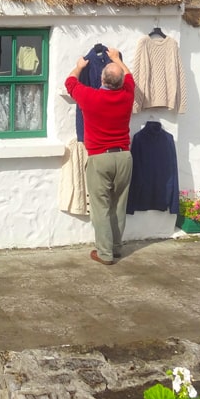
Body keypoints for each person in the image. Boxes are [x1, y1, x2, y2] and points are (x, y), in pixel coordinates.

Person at [65, 48, 135, 265]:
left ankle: (104, 253)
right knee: (118, 206)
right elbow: (130, 77)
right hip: (124, 157)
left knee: (100, 207)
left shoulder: (90, 96)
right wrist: (116, 59)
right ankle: (115, 247)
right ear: (120, 82)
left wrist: (78, 67)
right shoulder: (127, 95)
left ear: (101, 79)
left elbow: (70, 83)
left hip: (99, 158)